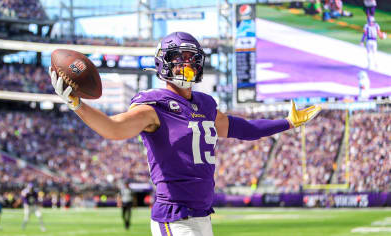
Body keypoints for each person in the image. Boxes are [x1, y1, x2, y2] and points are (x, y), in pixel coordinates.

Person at [49, 31, 321, 236]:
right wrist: (77, 104)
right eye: (178, 60)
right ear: (163, 64)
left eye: (191, 59)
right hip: (174, 216)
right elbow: (114, 128)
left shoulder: (205, 104)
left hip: (202, 214)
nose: (186, 65)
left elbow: (241, 128)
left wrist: (286, 123)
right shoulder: (152, 105)